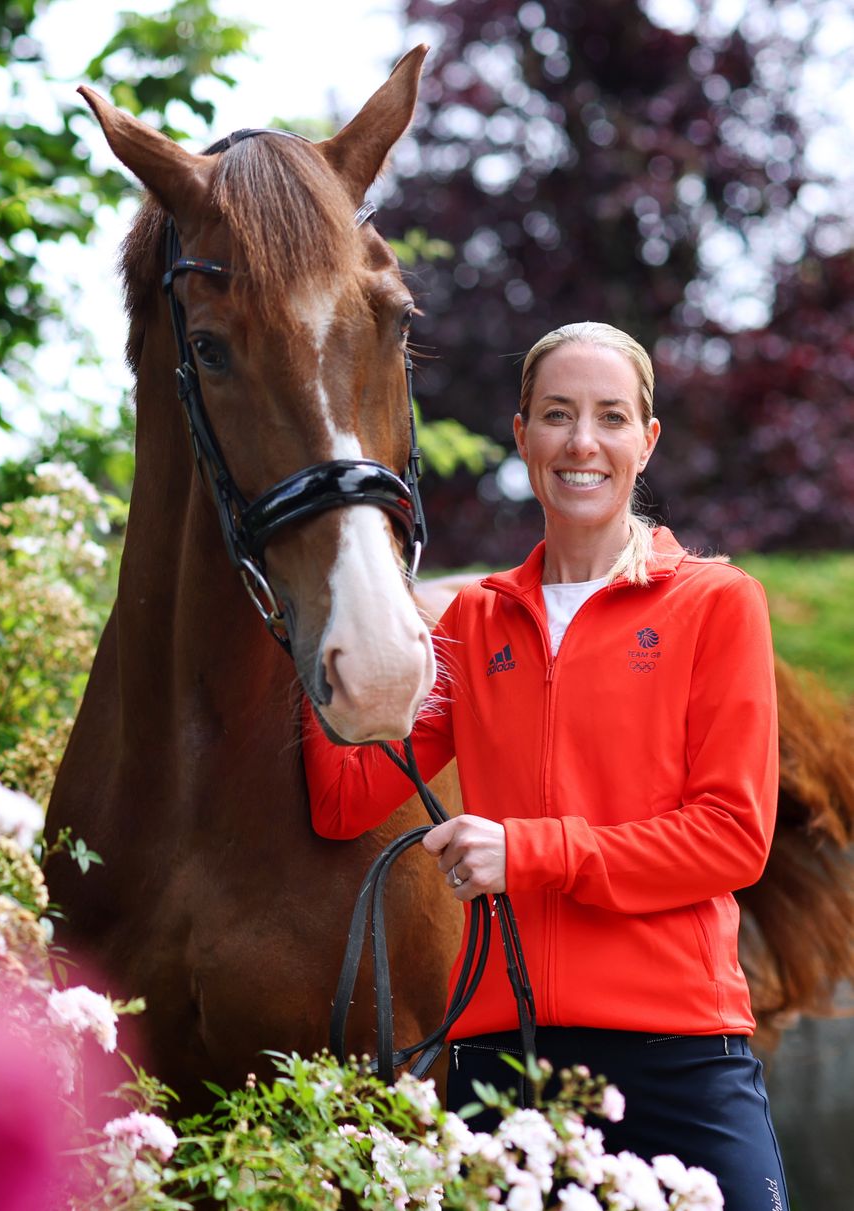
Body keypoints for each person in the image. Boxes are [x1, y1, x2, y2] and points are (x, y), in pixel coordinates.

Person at [302, 322, 789, 1211]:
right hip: (502, 1067)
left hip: (677, 1056)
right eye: (557, 415)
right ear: (521, 435)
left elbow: (733, 838)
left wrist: (529, 853)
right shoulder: (470, 623)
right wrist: (325, 613)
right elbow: (345, 799)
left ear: (647, 441)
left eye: (610, 417)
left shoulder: (718, 605)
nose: (582, 442)